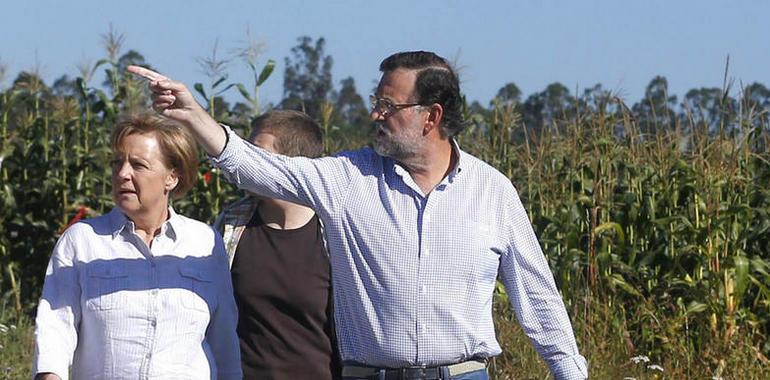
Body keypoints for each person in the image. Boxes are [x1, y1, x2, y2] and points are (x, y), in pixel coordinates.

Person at [129, 50, 588, 380]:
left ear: (432, 116)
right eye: (377, 101)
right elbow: (261, 167)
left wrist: (570, 373)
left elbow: (539, 299)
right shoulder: (348, 179)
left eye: (389, 106)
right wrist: (193, 115)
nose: (375, 114)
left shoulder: (492, 193)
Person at [33, 113, 241, 380]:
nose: (123, 174)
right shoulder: (82, 240)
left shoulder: (204, 243)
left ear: (172, 177)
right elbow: (55, 326)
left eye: (138, 165)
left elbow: (224, 340)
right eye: (117, 163)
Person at [213, 110, 341, 379]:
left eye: (256, 153)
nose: (245, 163)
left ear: (290, 165)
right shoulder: (232, 226)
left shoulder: (335, 235)